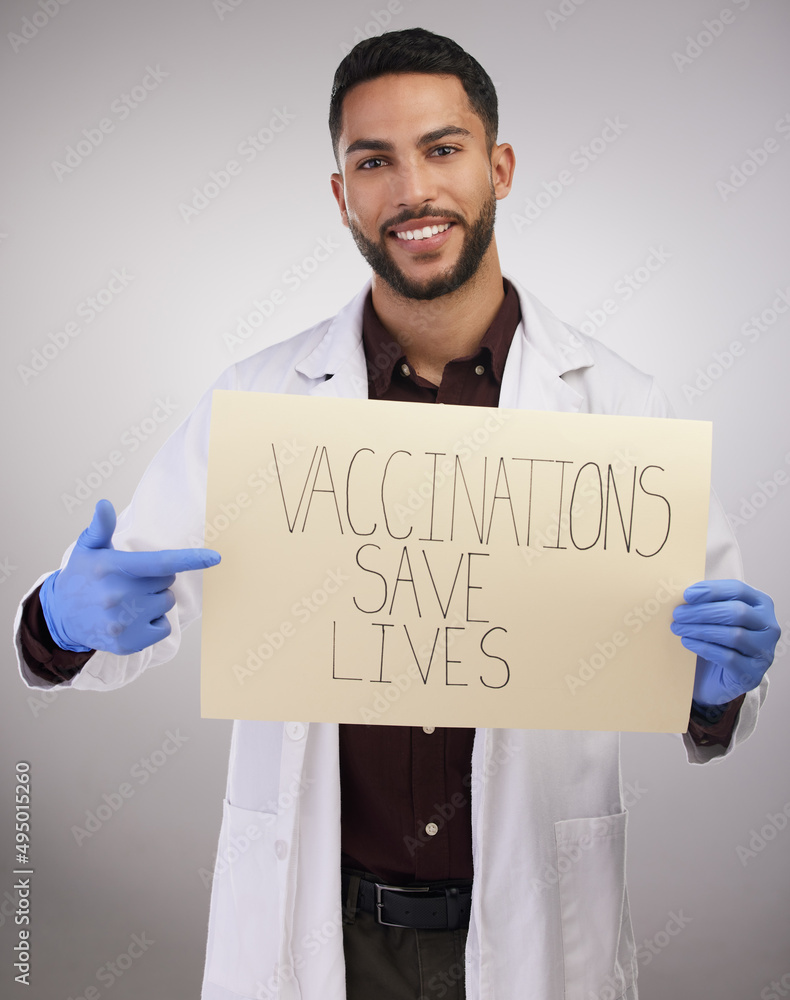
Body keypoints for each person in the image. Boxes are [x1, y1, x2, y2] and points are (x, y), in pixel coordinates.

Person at [14, 27, 779, 1000]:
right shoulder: (264, 402)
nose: (411, 189)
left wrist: (716, 686)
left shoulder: (619, 405)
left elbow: (695, 690)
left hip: (529, 933)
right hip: (319, 931)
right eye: (373, 161)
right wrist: (61, 622)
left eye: (442, 149)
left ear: (497, 166)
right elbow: (114, 608)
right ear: (341, 194)